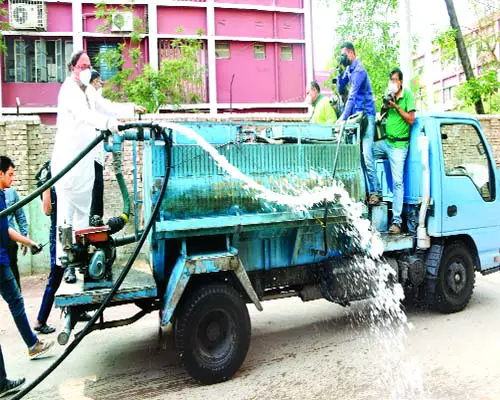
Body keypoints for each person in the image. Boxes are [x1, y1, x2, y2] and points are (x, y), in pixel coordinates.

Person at [51, 50, 120, 284]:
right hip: (68, 163)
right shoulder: (69, 90)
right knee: (66, 217)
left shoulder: (87, 90)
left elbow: (104, 105)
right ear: (72, 68)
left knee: (83, 215)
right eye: (82, 66)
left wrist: (130, 110)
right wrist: (108, 124)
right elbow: (86, 116)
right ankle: (67, 264)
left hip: (85, 165)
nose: (86, 70)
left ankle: (81, 262)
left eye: (88, 65)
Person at [0, 156, 54, 366]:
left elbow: (6, 228)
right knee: (16, 301)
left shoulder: (4, 194)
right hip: (0, 260)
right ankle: (32, 345)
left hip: (4, 255)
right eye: (10, 174)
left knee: (15, 300)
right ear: (0, 173)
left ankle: (32, 344)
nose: (13, 178)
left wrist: (29, 241)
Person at [86, 69, 145, 226]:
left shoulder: (91, 96)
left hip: (93, 150)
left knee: (97, 183)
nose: (101, 85)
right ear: (93, 81)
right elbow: (108, 108)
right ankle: (94, 218)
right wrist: (131, 108)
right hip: (88, 149)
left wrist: (131, 108)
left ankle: (95, 218)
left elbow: (107, 107)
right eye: (99, 82)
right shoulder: (89, 94)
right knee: (95, 183)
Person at [374, 68, 416, 234]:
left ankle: (396, 221)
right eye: (391, 79)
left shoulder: (408, 96)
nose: (393, 82)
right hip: (386, 141)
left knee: (398, 182)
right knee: (366, 155)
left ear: (401, 81)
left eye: (395, 79)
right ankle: (374, 192)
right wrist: (385, 105)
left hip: (399, 146)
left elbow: (411, 120)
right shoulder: (389, 94)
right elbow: (382, 116)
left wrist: (396, 106)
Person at [336, 42, 378, 205]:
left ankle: (375, 192)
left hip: (367, 116)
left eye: (345, 55)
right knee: (359, 157)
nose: (343, 57)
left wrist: (343, 119)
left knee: (367, 156)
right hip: (357, 117)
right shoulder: (349, 69)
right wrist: (340, 71)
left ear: (352, 54)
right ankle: (366, 193)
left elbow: (352, 97)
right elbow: (341, 90)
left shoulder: (359, 71)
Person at [5, 187, 29, 290]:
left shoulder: (11, 192)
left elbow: (20, 215)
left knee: (13, 273)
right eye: (10, 174)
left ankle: (18, 303)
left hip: (9, 240)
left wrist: (24, 235)